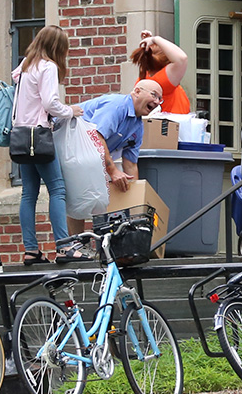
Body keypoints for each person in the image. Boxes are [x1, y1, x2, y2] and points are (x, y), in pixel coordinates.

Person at [61, 79, 165, 260]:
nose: (157, 102)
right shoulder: (117, 106)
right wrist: (113, 172)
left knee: (103, 193)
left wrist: (135, 199)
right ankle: (74, 246)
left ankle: (89, 247)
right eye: (154, 95)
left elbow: (131, 165)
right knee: (80, 194)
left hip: (88, 153)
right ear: (137, 91)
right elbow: (96, 136)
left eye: (160, 99)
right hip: (68, 144)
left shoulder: (138, 126)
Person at [11, 25, 84, 265]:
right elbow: (51, 103)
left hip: (21, 137)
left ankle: (31, 250)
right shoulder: (49, 66)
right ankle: (64, 247)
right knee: (58, 190)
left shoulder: (24, 67)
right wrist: (70, 111)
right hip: (39, 137)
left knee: (28, 194)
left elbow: (20, 87)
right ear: (57, 48)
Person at [133, 29, 190, 113]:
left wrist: (150, 44)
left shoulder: (144, 77)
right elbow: (182, 58)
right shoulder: (163, 80)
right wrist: (156, 39)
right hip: (172, 124)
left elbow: (149, 56)